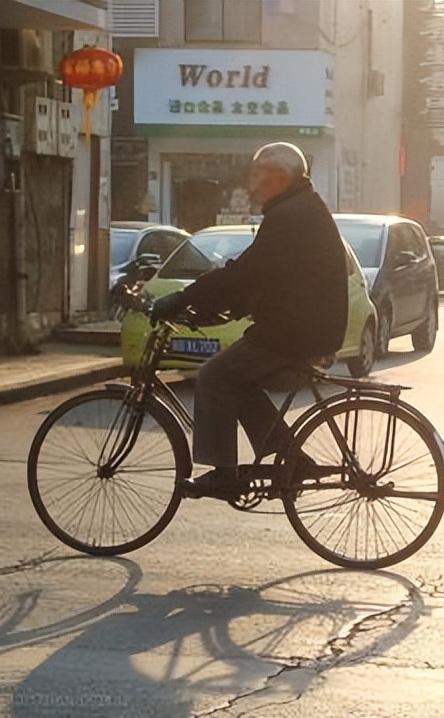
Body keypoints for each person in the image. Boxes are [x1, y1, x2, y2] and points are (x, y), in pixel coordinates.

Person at [149, 142, 349, 500]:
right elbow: (267, 276)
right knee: (238, 380)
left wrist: (185, 297)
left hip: (295, 329)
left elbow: (247, 272)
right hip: (301, 323)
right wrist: (219, 306)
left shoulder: (291, 215)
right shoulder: (297, 209)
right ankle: (291, 460)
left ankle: (224, 474)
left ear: (280, 177)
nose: (254, 183)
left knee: (214, 376)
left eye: (260, 175)